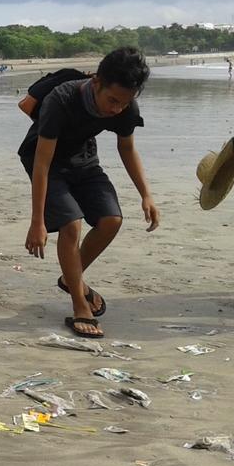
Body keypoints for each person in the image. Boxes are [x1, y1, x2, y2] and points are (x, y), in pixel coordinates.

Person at [20, 47, 159, 338]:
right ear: (96, 82)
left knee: (111, 220)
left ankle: (71, 278)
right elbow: (43, 164)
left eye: (124, 103)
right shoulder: (62, 100)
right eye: (112, 100)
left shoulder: (125, 105)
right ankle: (79, 304)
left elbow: (127, 148)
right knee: (71, 225)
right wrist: (37, 222)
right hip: (45, 160)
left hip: (83, 159)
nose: (116, 109)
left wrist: (146, 194)